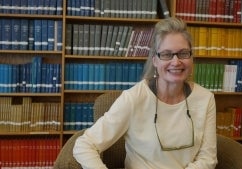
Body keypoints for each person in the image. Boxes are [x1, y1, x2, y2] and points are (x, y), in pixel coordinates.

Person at [73, 17, 217, 169]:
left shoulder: (206, 99)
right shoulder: (134, 98)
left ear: (191, 58)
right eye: (167, 54)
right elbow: (85, 145)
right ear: (155, 60)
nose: (176, 62)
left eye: (183, 53)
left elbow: (207, 158)